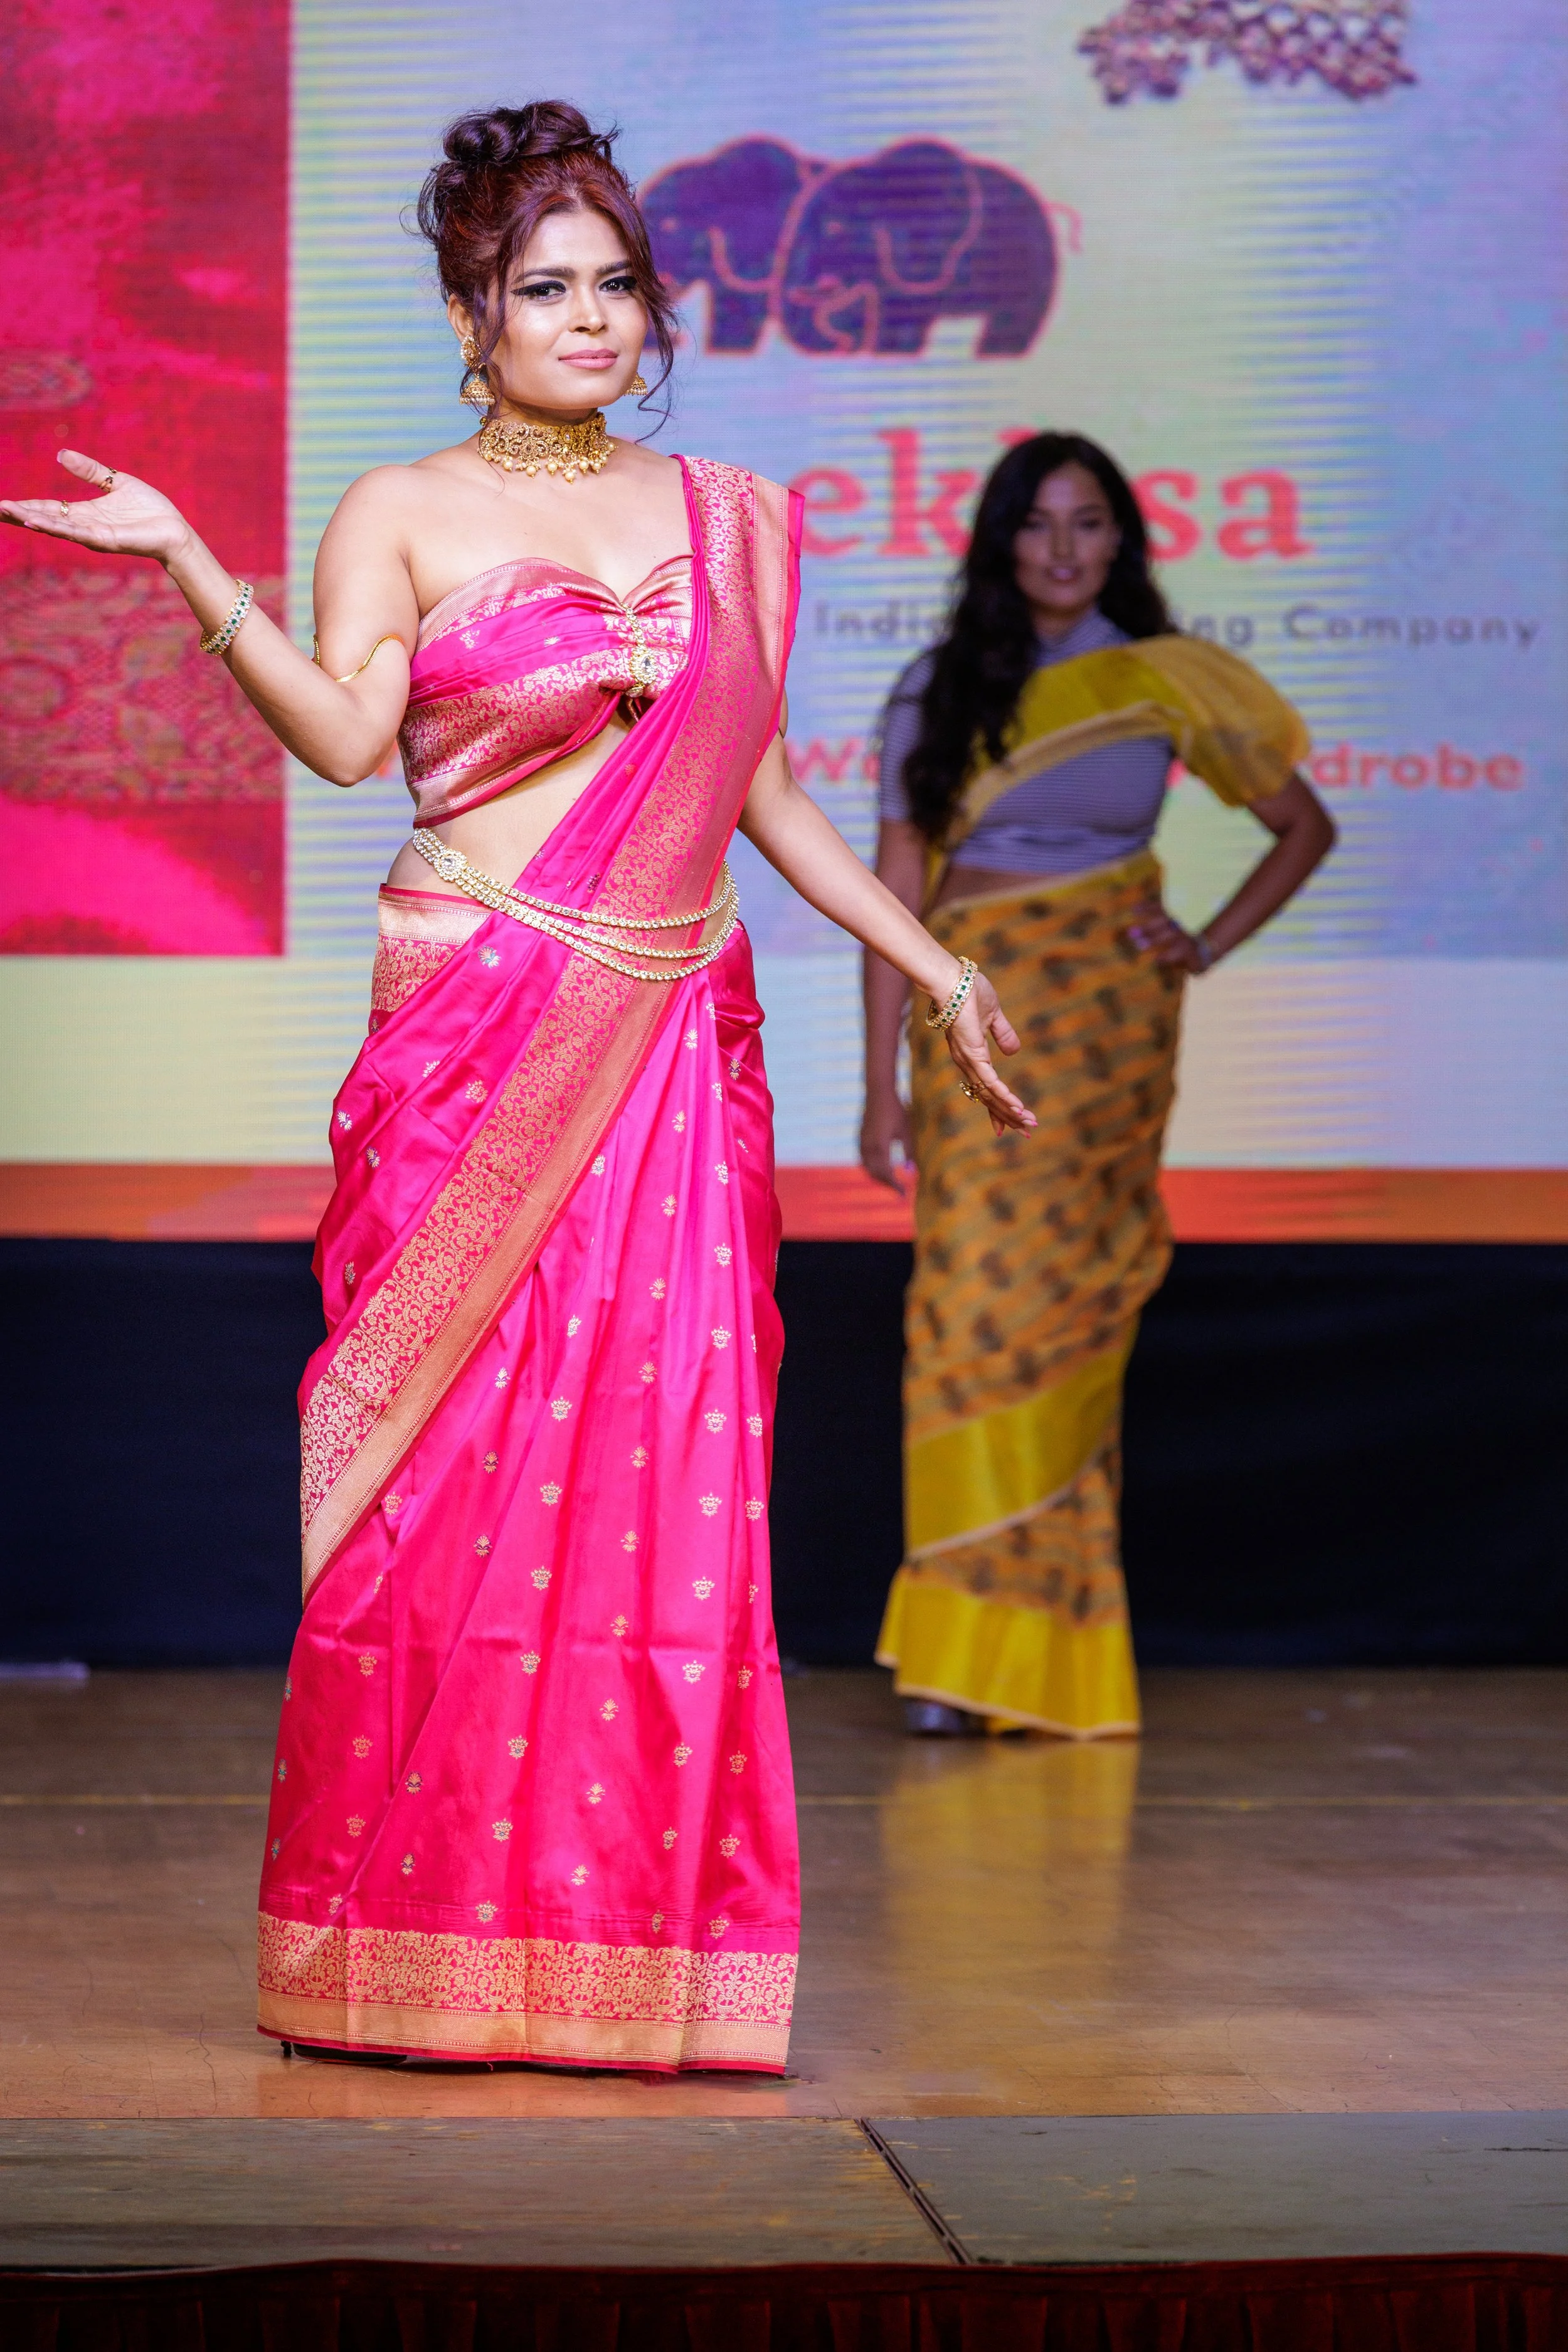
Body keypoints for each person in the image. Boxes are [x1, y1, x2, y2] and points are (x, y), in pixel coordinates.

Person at [1, 102, 1034, 2073]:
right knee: (446, 1485)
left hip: (671, 1042)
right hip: (479, 1025)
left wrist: (938, 965)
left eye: (614, 282)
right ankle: (403, 1946)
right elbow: (342, 740)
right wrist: (190, 562)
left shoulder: (733, 514)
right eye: (540, 286)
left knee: (664, 1480)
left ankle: (628, 1954)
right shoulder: (401, 507)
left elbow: (764, 794)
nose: (587, 317)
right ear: (469, 316)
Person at [863, 432, 1334, 1742]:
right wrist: (878, 1085)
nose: (1063, 549)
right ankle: (962, 1646)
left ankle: (1042, 1645)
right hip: (971, 1021)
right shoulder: (937, 686)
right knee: (966, 1310)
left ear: (1120, 539)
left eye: (1088, 523)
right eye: (1038, 523)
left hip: (1107, 1032)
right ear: (1000, 541)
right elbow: (895, 894)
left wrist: (1204, 941)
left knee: (1068, 1312)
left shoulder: (1166, 677)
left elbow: (1303, 824)